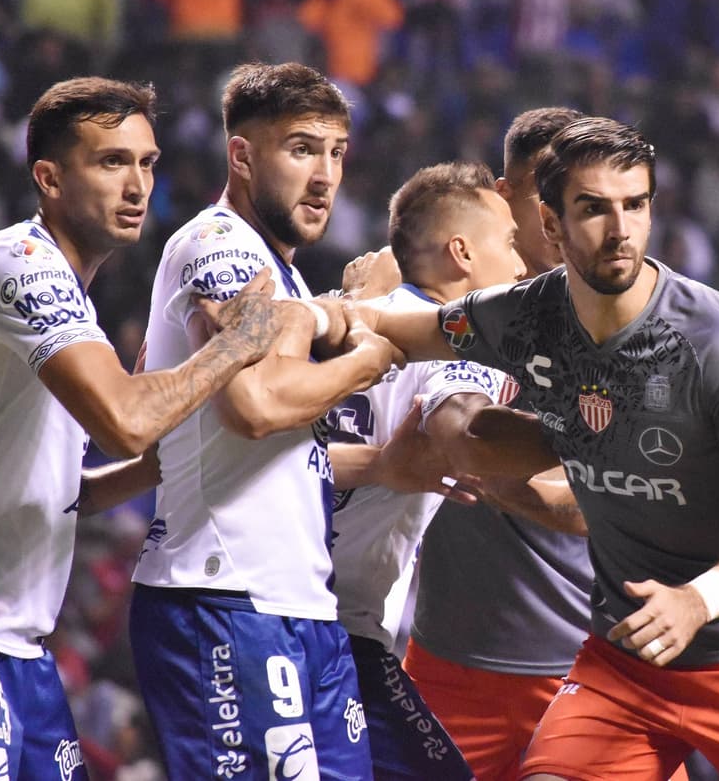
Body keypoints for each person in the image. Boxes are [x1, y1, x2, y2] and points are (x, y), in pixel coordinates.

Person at [355, 117, 719, 780]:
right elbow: (412, 326)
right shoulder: (521, 314)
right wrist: (328, 310)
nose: (620, 229)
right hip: (625, 666)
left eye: (636, 205)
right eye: (594, 209)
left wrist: (697, 598)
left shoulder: (718, 339)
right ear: (550, 223)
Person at [0, 77, 283, 781]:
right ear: (49, 177)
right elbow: (126, 420)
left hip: (15, 644)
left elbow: (74, 491)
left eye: (147, 162)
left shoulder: (73, 306)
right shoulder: (22, 265)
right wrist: (234, 345)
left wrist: (165, 463)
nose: (137, 184)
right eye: (111, 161)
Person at [128, 62, 403, 780]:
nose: (325, 175)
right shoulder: (218, 246)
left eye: (337, 152)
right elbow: (252, 406)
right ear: (243, 156)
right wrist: (371, 354)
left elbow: (281, 448)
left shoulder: (286, 278)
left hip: (300, 603)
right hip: (223, 596)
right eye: (302, 148)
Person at [402, 107, 601, 781]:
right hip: (451, 667)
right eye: (542, 185)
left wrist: (497, 474)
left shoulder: (622, 323)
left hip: (591, 671)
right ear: (501, 193)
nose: (556, 209)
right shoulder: (448, 309)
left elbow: (590, 503)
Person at [327, 160, 526, 780]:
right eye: (511, 243)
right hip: (332, 626)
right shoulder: (462, 345)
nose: (521, 266)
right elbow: (462, 432)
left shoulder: (340, 310)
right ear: (461, 253)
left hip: (277, 600)